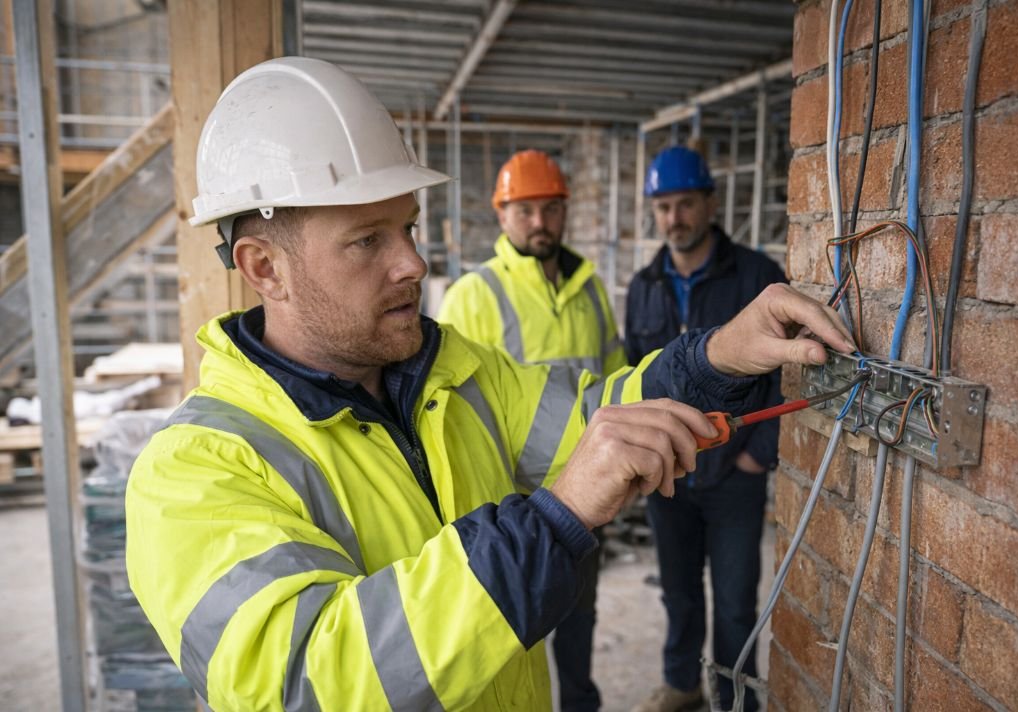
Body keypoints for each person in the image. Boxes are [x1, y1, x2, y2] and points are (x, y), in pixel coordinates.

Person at [125, 58, 855, 712]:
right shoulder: (193, 473)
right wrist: (552, 519)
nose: (413, 262)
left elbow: (596, 420)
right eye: (367, 240)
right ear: (263, 269)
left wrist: (719, 355)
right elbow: (309, 683)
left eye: (408, 228)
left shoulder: (456, 371)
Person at [437, 149, 625, 712]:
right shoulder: (473, 295)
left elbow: (614, 376)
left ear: (565, 212)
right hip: (509, 501)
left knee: (580, 613)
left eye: (549, 209)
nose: (539, 222)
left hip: (587, 487)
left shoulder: (591, 289)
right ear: (502, 217)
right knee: (512, 625)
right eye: (524, 211)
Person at [627, 146, 787, 712]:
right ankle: (682, 684)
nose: (674, 218)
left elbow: (785, 378)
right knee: (679, 593)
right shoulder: (645, 286)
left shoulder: (757, 276)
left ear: (709, 203)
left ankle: (736, 699)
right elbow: (633, 378)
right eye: (663, 206)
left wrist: (757, 457)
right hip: (669, 475)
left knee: (737, 600)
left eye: (685, 204)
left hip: (734, 476)